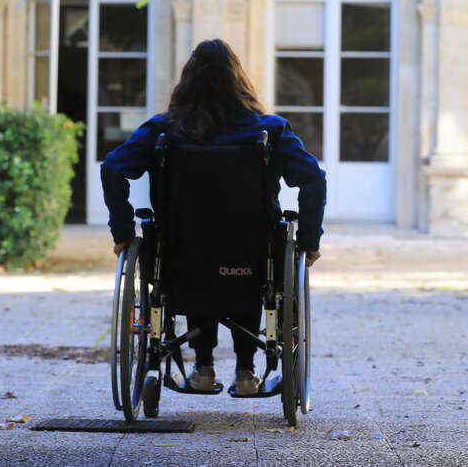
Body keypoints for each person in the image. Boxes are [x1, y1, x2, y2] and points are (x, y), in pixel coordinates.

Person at [100, 38, 326, 396]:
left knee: (193, 263)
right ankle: (246, 372)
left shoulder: (163, 130)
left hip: (180, 254)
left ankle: (202, 368)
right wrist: (309, 241)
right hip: (251, 252)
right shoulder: (269, 129)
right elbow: (313, 179)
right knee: (255, 267)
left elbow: (113, 168)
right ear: (240, 81)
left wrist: (123, 231)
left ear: (186, 83)